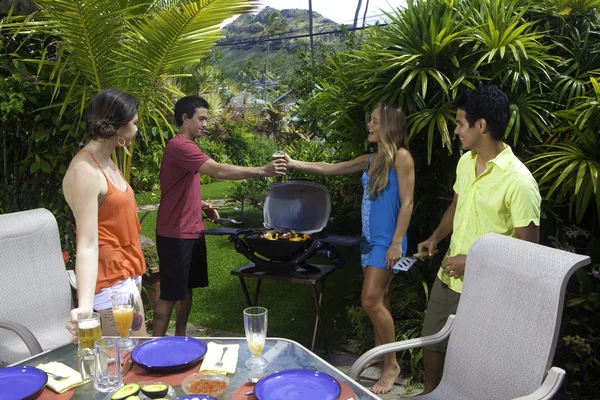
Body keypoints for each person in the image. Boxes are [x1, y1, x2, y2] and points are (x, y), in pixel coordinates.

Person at [417, 85, 542, 393]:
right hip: (448, 280)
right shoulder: (465, 162)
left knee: (475, 365)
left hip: (490, 291)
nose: (456, 129)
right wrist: (435, 237)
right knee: (431, 347)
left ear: (481, 125)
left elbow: (530, 254)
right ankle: (431, 396)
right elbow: (457, 205)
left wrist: (473, 262)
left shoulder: (520, 182)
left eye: (460, 122)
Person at [285, 104, 415, 394]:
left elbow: (407, 203)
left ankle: (392, 364)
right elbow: (331, 169)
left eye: (376, 122)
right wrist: (294, 163)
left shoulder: (402, 158)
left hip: (388, 241)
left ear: (390, 127)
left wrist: (396, 243)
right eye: (371, 120)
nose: (370, 125)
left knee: (369, 300)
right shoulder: (372, 160)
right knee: (380, 300)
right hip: (370, 240)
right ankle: (382, 355)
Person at [152, 96, 287, 337]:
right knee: (170, 295)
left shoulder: (190, 146)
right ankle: (153, 348)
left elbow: (177, 187)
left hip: (191, 230)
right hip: (175, 233)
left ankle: (181, 340)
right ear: (185, 118)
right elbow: (217, 170)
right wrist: (262, 170)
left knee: (186, 290)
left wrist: (200, 204)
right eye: (201, 118)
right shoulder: (180, 146)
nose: (205, 124)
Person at [63, 88, 148, 341]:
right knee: (132, 360)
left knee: (131, 357)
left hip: (126, 270)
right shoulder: (85, 171)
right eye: (134, 123)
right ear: (118, 128)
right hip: (111, 278)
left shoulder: (107, 161)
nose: (136, 129)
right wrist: (86, 306)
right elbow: (87, 243)